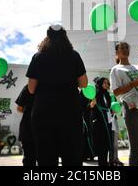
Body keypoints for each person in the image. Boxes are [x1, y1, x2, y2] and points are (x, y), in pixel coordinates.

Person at [27, 25, 88, 166]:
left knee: (46, 157)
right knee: (72, 157)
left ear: (47, 37)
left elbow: (31, 89)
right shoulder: (74, 55)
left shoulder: (38, 57)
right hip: (70, 114)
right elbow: (84, 84)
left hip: (43, 114)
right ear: (65, 36)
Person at [110, 42, 138, 166]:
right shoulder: (116, 70)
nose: (125, 50)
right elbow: (116, 91)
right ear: (117, 53)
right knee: (136, 149)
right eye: (121, 48)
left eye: (126, 48)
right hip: (132, 108)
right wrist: (132, 84)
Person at [90, 77, 113, 166]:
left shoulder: (108, 95)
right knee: (100, 145)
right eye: (104, 83)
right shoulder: (95, 94)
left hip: (107, 123)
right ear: (100, 84)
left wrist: (112, 111)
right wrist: (92, 105)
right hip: (98, 124)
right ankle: (101, 163)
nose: (107, 85)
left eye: (108, 83)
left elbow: (108, 108)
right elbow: (88, 107)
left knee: (106, 145)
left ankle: (104, 163)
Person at [15, 84, 36, 166]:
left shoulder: (28, 87)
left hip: (28, 127)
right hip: (45, 129)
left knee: (29, 159)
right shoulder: (51, 87)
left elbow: (19, 108)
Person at [79, 89, 96, 163]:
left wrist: (92, 104)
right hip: (83, 119)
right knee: (84, 137)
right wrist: (90, 106)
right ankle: (84, 155)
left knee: (89, 136)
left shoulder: (89, 97)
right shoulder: (80, 97)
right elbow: (83, 108)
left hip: (89, 119)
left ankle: (90, 154)